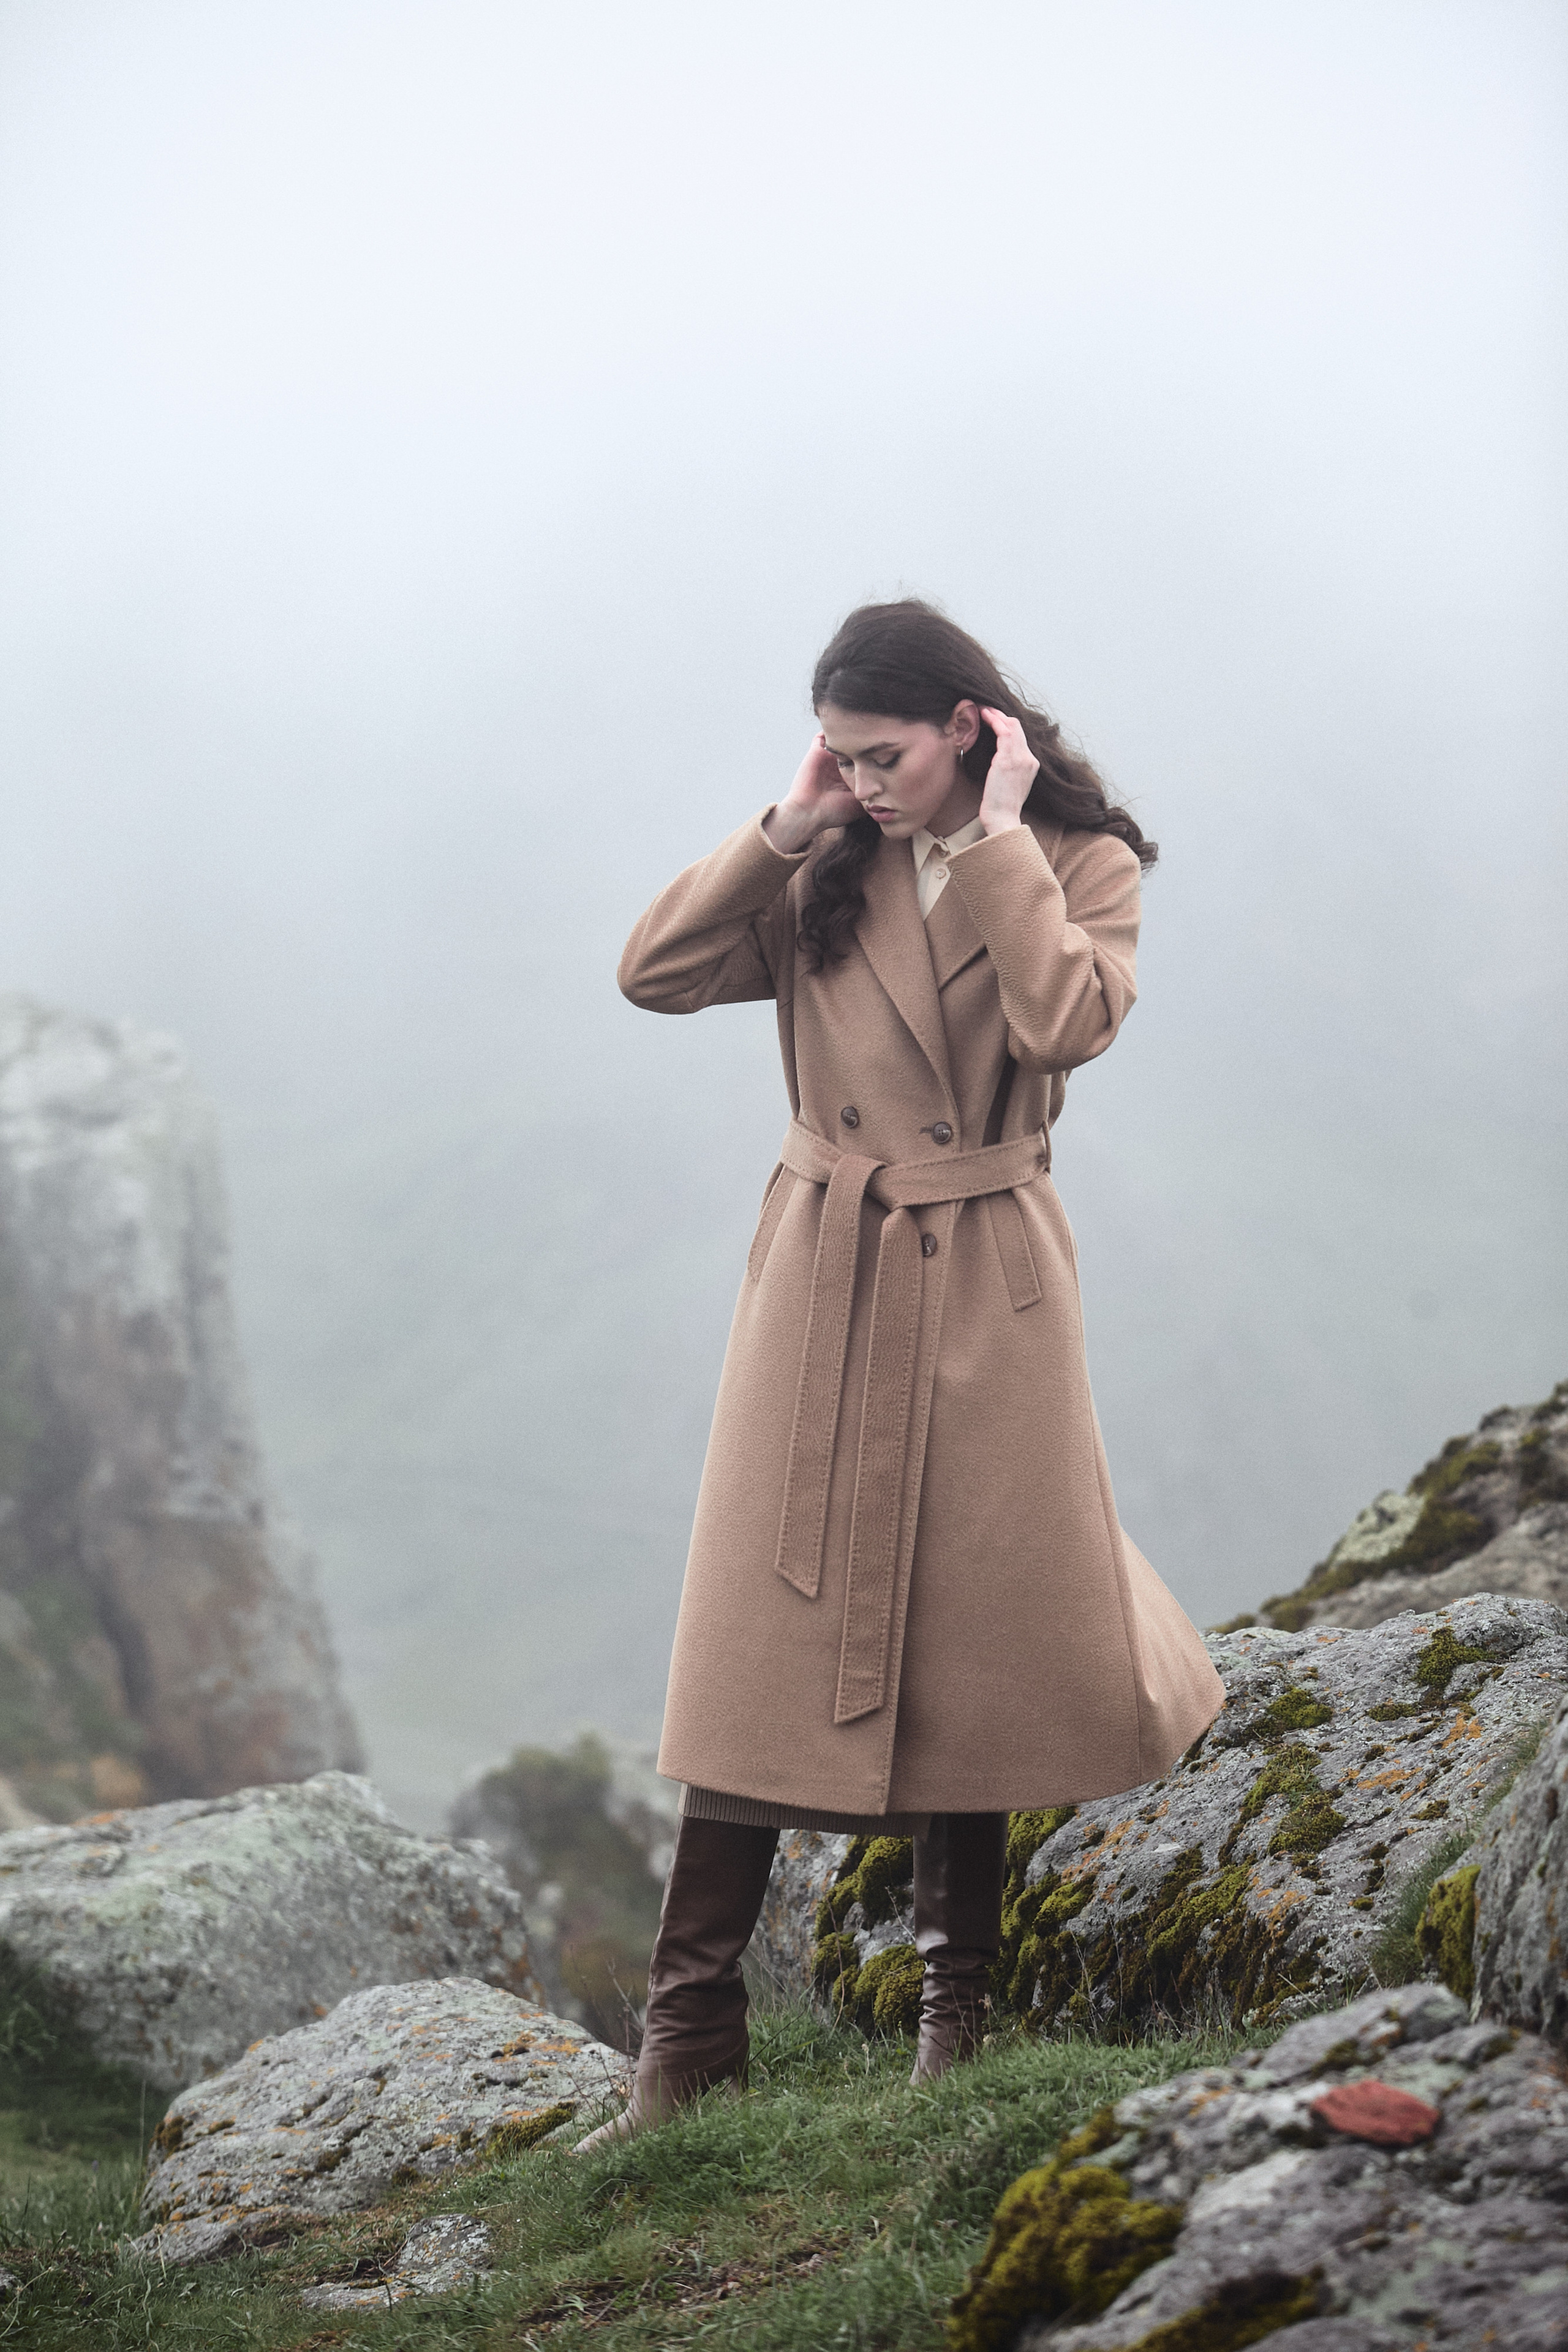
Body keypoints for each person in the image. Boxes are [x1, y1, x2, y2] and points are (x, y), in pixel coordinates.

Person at [576, 599, 1223, 2151]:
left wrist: (993, 840)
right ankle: (685, 2040)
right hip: (825, 1269)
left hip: (987, 1276)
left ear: (967, 729)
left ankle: (955, 2020)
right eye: (838, 756)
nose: (862, 781)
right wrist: (782, 825)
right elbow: (652, 973)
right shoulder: (827, 857)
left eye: (883, 756)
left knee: (973, 1638)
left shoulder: (1075, 861)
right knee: (753, 1638)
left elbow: (1063, 1023)